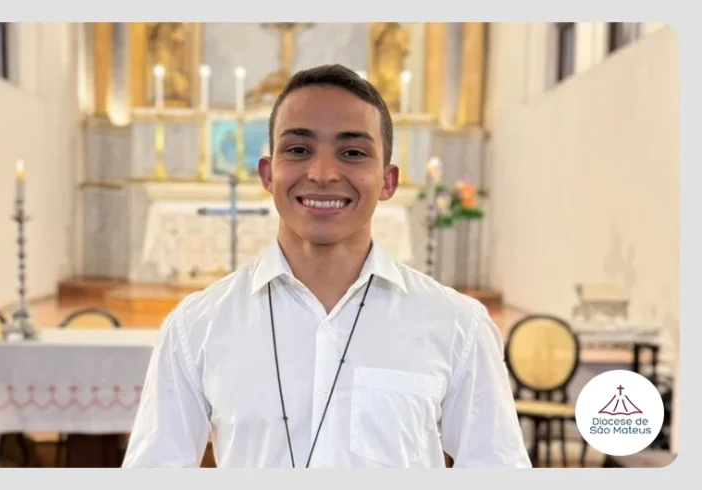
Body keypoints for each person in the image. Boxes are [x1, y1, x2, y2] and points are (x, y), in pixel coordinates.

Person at [122, 64, 531, 468]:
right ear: (268, 174)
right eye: (298, 150)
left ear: (388, 181)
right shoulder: (197, 326)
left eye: (352, 153)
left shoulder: (457, 324)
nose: (322, 174)